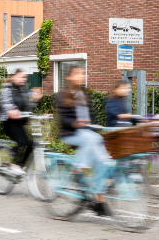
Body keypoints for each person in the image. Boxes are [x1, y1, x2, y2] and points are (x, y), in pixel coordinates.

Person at [57, 66, 112, 216]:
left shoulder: (84, 94)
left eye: (83, 73)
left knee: (104, 161)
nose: (82, 76)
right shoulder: (63, 95)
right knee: (92, 138)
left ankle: (99, 202)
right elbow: (63, 119)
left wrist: (91, 123)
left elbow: (90, 116)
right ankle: (77, 168)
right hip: (71, 133)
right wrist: (76, 123)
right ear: (69, 77)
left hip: (87, 133)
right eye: (78, 74)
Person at [0, 69, 42, 176]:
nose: (24, 79)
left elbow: (27, 107)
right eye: (21, 77)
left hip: (20, 123)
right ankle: (14, 166)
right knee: (22, 143)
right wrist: (11, 110)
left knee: (31, 144)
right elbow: (5, 102)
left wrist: (35, 100)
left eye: (25, 77)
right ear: (14, 76)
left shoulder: (22, 90)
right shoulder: (6, 89)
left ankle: (19, 166)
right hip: (9, 123)